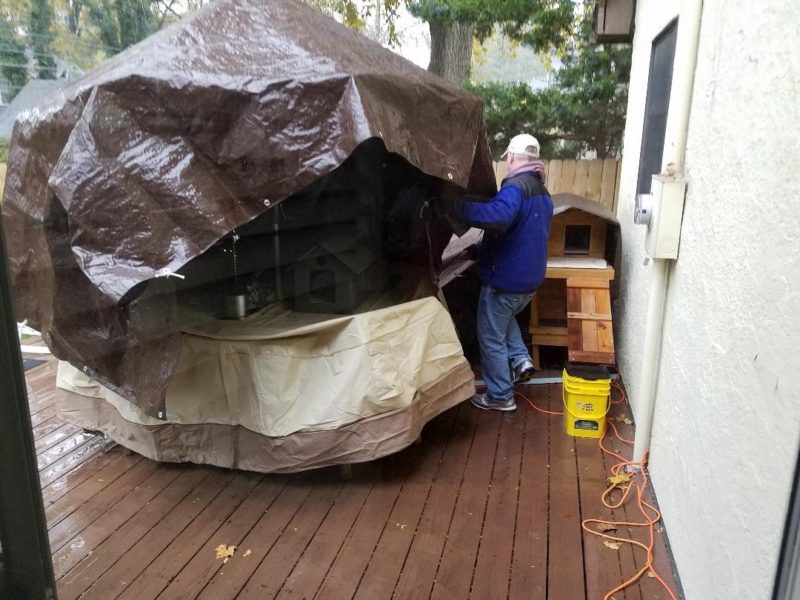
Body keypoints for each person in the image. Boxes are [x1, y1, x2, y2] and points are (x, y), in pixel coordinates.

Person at [450, 133, 553, 412]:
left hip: (505, 281)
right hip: (529, 281)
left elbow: (497, 217)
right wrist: (480, 250)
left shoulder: (515, 189)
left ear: (510, 157)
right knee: (503, 320)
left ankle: (499, 396)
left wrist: (454, 206)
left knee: (491, 336)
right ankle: (521, 360)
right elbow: (519, 235)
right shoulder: (542, 193)